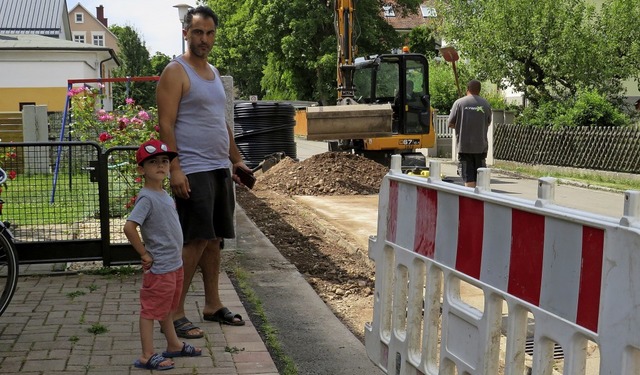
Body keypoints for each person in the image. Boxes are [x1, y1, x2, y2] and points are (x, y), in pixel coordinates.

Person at [157, 5, 251, 339]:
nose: (204, 39)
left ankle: (212, 304)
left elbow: (219, 121)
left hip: (217, 168)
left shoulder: (211, 73)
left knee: (214, 239)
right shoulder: (176, 72)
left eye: (209, 33)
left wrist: (236, 159)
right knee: (194, 241)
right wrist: (175, 168)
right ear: (186, 33)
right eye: (198, 32)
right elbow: (164, 124)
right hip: (192, 169)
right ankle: (173, 312)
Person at [123, 139, 202, 371]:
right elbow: (129, 227)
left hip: (173, 264)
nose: (160, 166)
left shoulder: (164, 195)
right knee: (151, 311)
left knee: (168, 307)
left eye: (165, 161)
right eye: (153, 162)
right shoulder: (147, 197)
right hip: (159, 268)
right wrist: (144, 253)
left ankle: (174, 345)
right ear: (141, 169)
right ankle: (147, 355)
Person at [447, 79, 492, 188]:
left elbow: (450, 123)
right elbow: (488, 122)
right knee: (480, 178)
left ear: (467, 89)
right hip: (481, 147)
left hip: (464, 147)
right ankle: (480, 200)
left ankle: (470, 200)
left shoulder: (459, 103)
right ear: (479, 90)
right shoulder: (485, 104)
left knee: (469, 177)